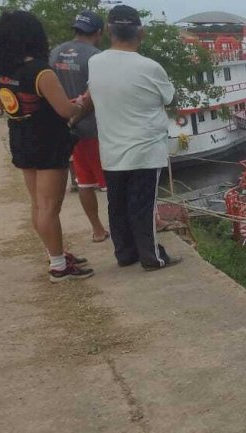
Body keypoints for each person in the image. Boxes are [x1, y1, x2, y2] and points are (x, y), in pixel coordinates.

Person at [0, 10, 94, 282]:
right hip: (48, 142)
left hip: (20, 138)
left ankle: (55, 254)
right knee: (50, 207)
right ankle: (59, 266)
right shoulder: (40, 71)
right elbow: (64, 111)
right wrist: (81, 101)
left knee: (38, 204)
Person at [87, 5, 180, 271]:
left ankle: (125, 254)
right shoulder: (150, 67)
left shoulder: (95, 62)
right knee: (142, 207)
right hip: (144, 149)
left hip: (111, 148)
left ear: (108, 31)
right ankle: (153, 258)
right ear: (142, 31)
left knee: (117, 206)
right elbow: (169, 97)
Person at [50, 10, 108, 243]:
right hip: (96, 129)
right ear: (99, 32)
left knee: (84, 182)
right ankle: (124, 228)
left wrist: (68, 119)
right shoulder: (96, 56)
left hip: (70, 131)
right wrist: (77, 114)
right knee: (113, 184)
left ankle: (97, 230)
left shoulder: (55, 53)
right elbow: (95, 93)